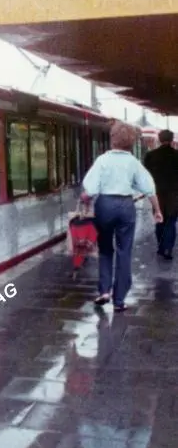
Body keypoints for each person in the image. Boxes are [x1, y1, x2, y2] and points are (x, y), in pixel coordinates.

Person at [81, 121, 163, 312]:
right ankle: (119, 300)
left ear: (112, 139)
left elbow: (90, 188)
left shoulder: (102, 160)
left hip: (105, 206)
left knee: (105, 249)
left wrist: (86, 198)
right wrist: (157, 210)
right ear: (131, 142)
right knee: (124, 251)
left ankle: (104, 291)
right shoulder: (133, 162)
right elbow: (149, 188)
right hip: (126, 206)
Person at [143, 129, 178, 259]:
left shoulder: (150, 155)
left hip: (157, 194)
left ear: (159, 139)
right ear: (172, 139)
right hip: (174, 195)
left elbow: (146, 175)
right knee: (171, 221)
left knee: (160, 219)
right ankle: (168, 248)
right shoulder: (176, 155)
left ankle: (161, 246)